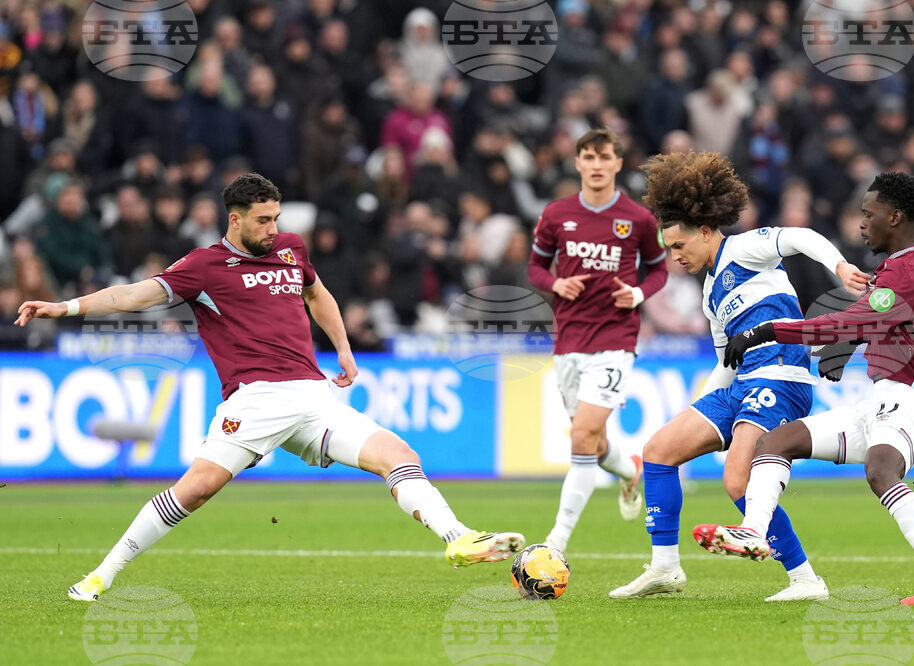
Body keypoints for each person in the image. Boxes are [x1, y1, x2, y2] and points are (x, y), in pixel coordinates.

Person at [14, 173, 524, 602]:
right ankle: (101, 575)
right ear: (234, 219)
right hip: (254, 399)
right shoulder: (204, 266)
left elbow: (317, 295)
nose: (273, 228)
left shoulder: (291, 250)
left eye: (277, 217)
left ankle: (458, 538)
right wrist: (64, 308)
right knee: (194, 491)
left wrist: (343, 348)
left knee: (397, 452)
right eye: (263, 219)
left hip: (312, 395)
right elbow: (131, 295)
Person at [694, 172, 914, 606]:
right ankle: (752, 531)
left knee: (882, 472)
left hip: (912, 397)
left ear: (894, 216)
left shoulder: (908, 268)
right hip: (886, 397)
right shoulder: (908, 264)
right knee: (775, 442)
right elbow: (873, 323)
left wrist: (766, 331)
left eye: (869, 214)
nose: (861, 224)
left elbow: (849, 321)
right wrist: (842, 346)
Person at [609, 152, 869, 601]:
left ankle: (806, 580)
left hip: (782, 377)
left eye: (679, 246)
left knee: (737, 482)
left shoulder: (743, 249)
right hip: (744, 382)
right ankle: (664, 568)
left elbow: (800, 235)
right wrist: (695, 410)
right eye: (669, 249)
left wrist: (840, 266)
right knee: (658, 451)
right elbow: (726, 362)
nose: (674, 257)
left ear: (706, 232)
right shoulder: (710, 293)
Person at [527, 128, 669, 553]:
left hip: (615, 338)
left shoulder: (639, 219)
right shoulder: (556, 214)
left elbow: (659, 270)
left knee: (582, 435)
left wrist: (639, 293)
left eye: (604, 157)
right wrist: (556, 283)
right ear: (577, 163)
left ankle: (556, 542)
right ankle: (629, 472)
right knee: (591, 439)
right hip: (569, 339)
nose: (596, 165)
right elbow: (535, 268)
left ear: (617, 163)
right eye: (588, 157)